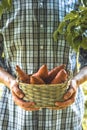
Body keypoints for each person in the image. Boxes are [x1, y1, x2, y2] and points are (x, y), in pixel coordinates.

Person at [0, 0, 86, 129]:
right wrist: (10, 82)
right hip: (15, 119)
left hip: (66, 120)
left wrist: (76, 82)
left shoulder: (78, 3)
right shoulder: (4, 4)